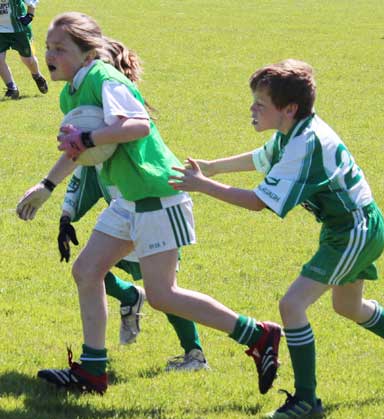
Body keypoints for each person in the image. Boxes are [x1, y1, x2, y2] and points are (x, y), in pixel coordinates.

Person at [16, 12, 281, 396]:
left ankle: (257, 334)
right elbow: (80, 147)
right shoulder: (71, 91)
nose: (51, 54)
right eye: (48, 47)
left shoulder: (105, 78)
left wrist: (89, 137)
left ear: (88, 54)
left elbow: (136, 125)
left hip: (157, 195)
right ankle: (92, 373)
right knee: (87, 271)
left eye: (61, 48)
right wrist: (47, 186)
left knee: (162, 295)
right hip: (129, 200)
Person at [168, 59, 384, 419]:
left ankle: (306, 400)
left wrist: (203, 185)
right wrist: (213, 166)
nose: (252, 108)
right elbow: (262, 158)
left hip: (353, 230)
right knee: (347, 307)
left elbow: (258, 202)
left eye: (260, 104)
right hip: (349, 226)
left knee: (292, 305)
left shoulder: (305, 144)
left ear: (289, 109)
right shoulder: (293, 133)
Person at [59, 164, 210, 370]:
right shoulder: (96, 155)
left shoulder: (132, 146)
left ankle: (195, 354)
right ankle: (130, 296)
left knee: (165, 293)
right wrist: (65, 218)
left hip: (155, 218)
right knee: (88, 271)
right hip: (122, 223)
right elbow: (82, 178)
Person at [0, 0, 48, 99]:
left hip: (19, 29)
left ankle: (37, 76)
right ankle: (12, 88)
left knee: (29, 60)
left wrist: (30, 15)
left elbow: (32, 2)